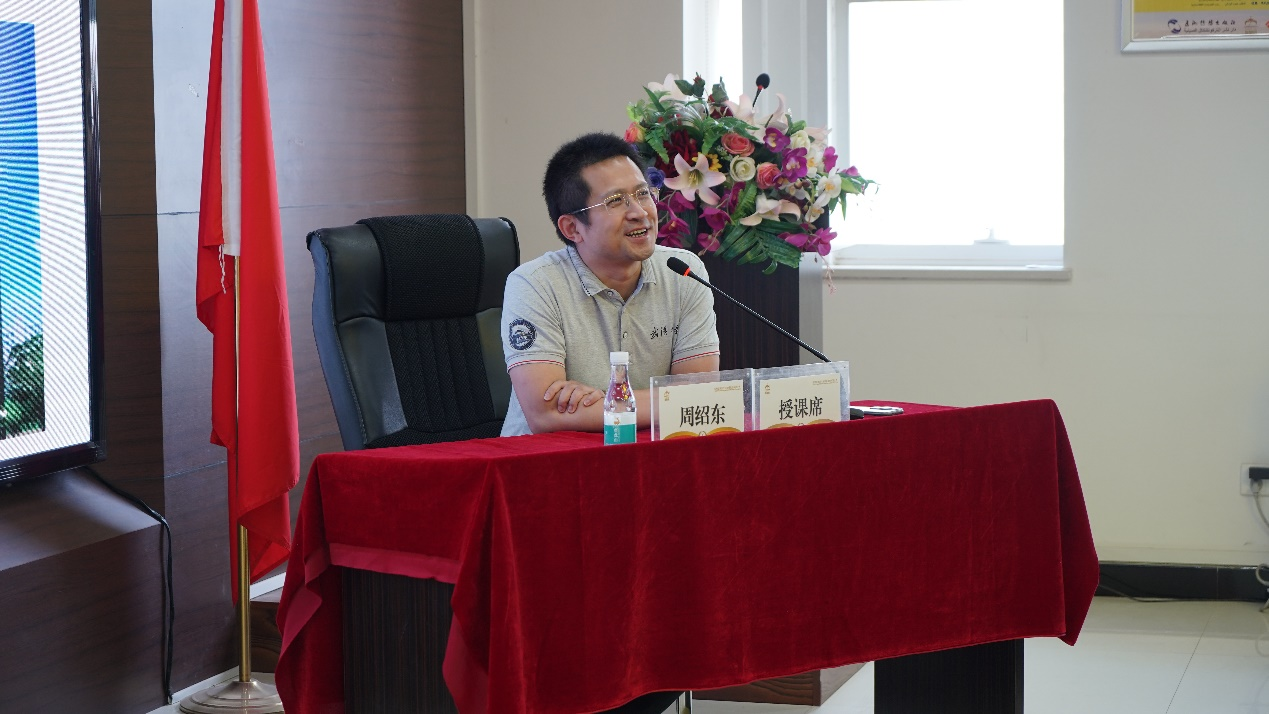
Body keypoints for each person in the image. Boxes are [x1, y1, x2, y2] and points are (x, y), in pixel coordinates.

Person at [500, 132, 720, 437]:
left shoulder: (683, 272)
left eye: (643, 193)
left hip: (647, 454)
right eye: (615, 201)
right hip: (547, 458)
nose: (639, 212)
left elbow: (700, 396)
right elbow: (545, 415)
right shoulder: (534, 285)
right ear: (572, 228)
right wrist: (671, 400)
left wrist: (605, 402)